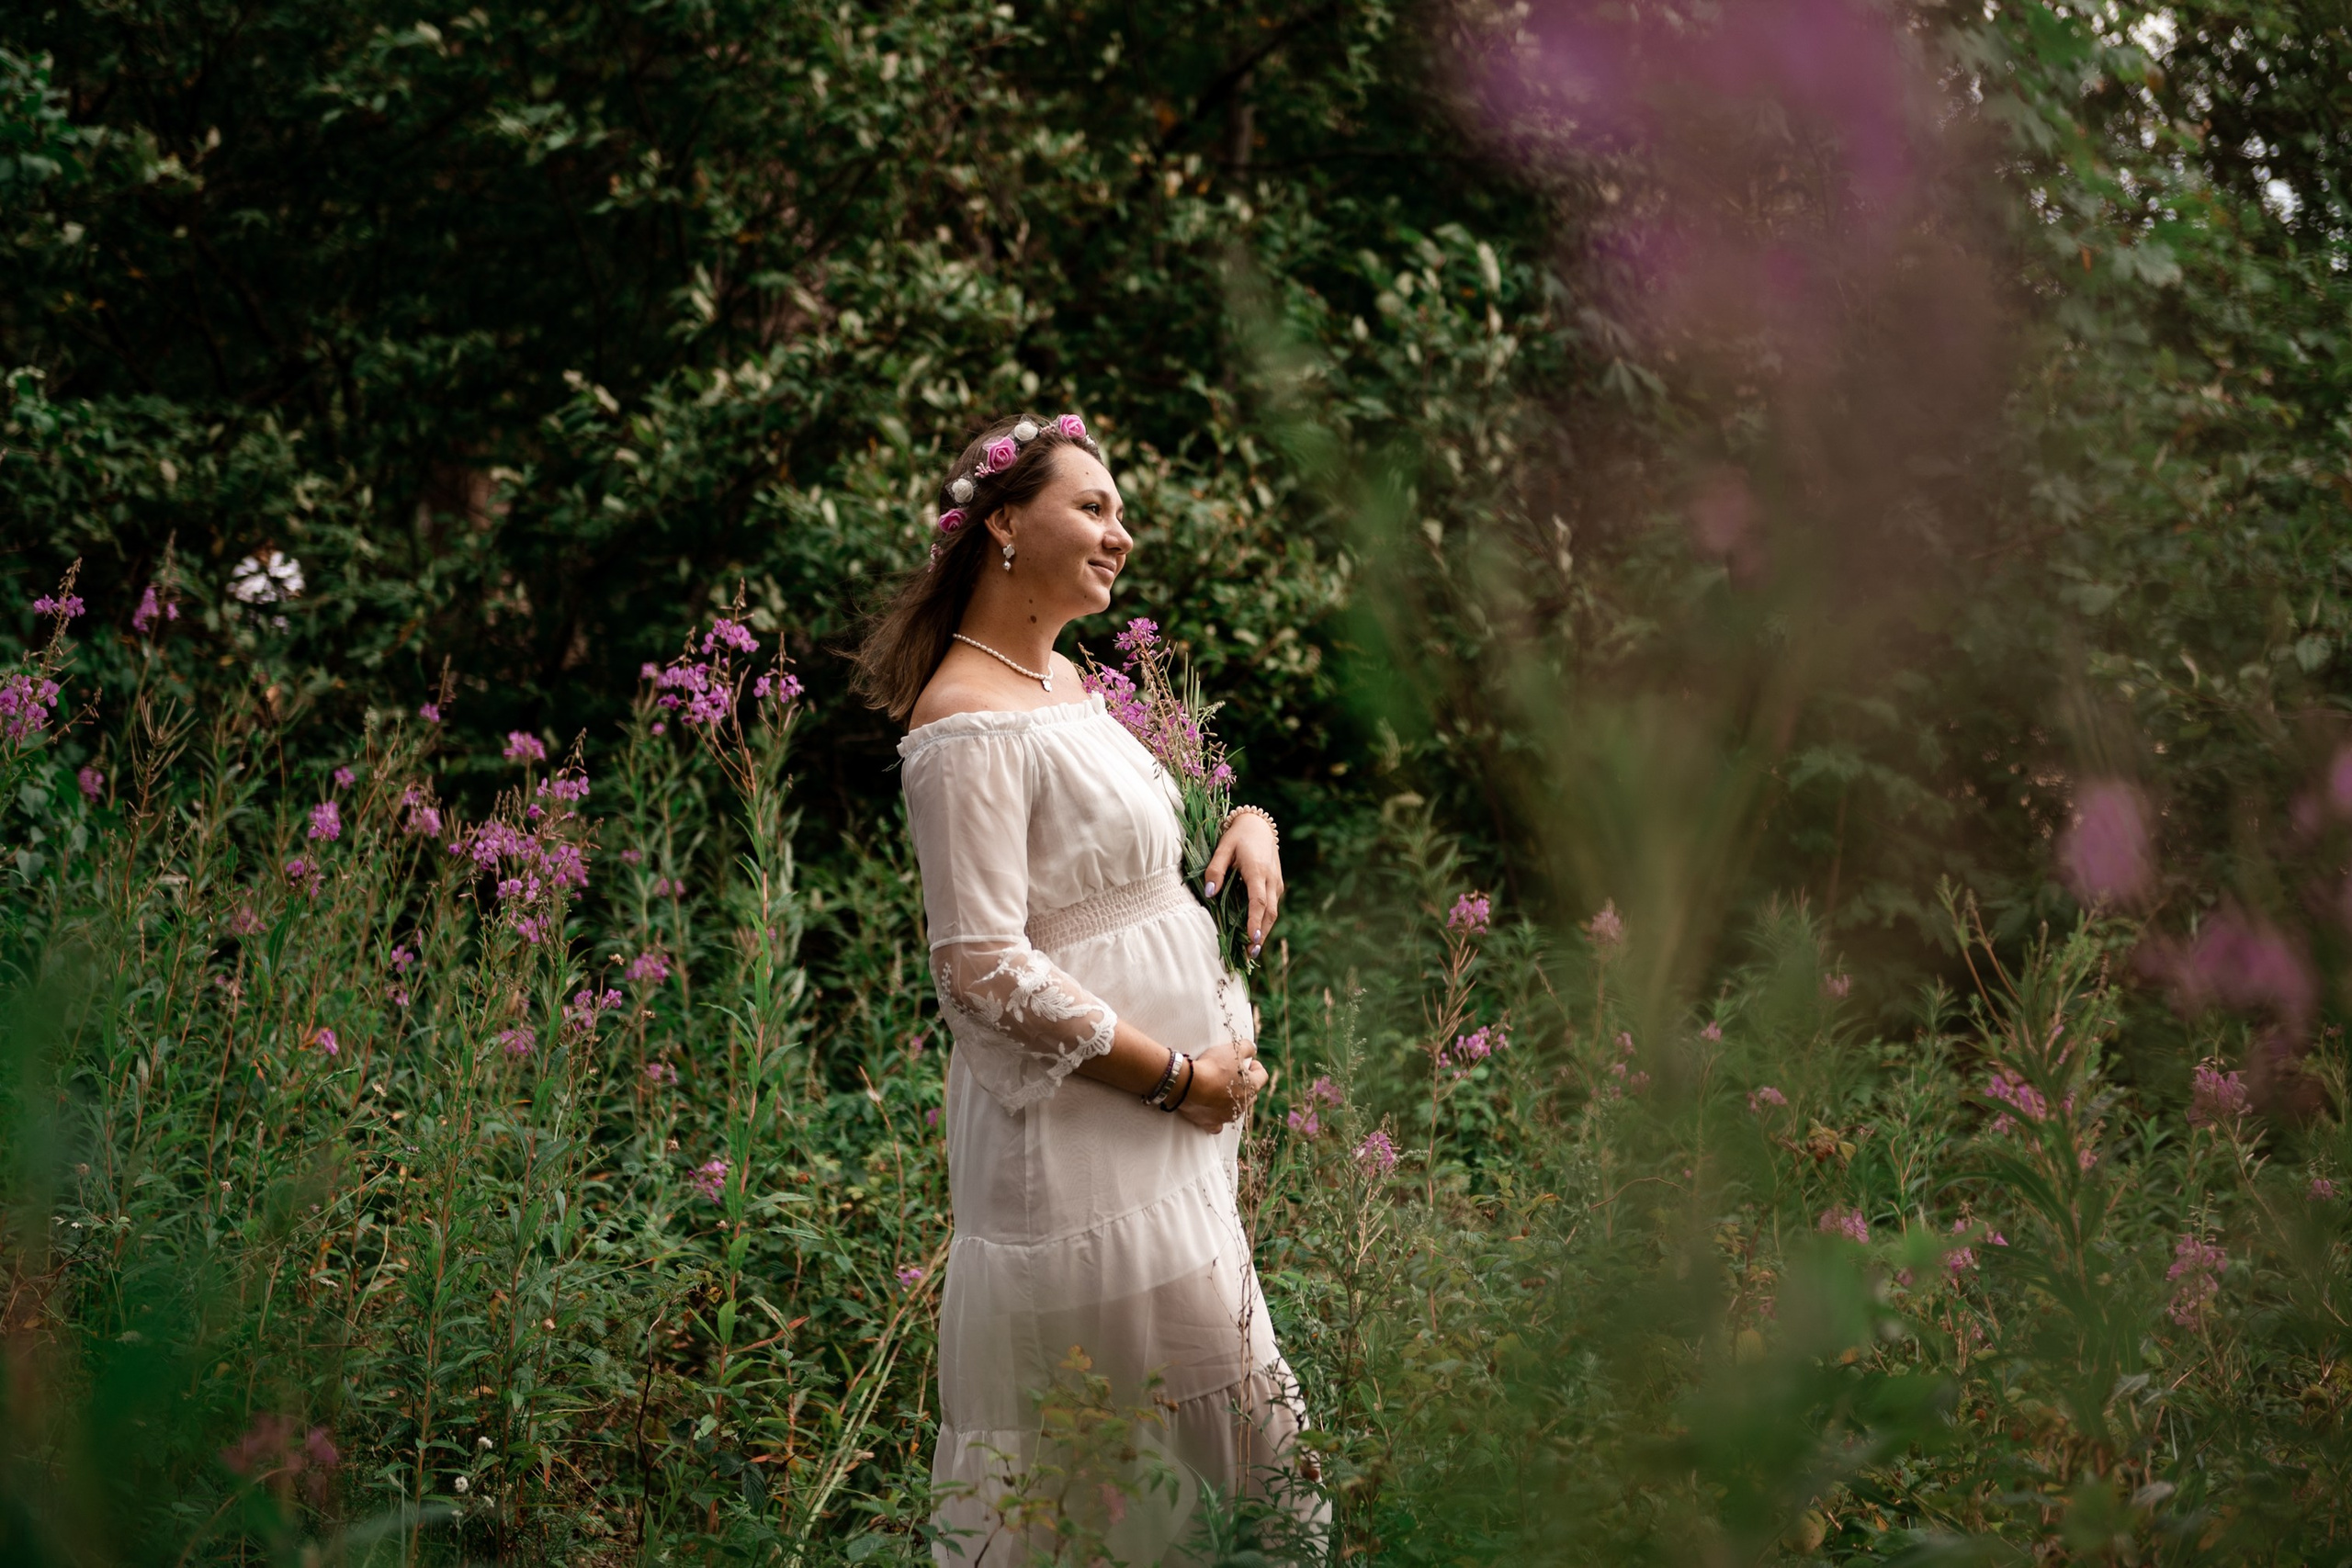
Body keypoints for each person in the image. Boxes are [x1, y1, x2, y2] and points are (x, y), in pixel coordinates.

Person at [853, 412, 1321, 1563]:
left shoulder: (1065, 678)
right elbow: (980, 966)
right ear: (1006, 524)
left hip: (1168, 1136)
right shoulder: (960, 723)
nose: (1122, 534)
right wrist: (1176, 1077)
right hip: (1083, 1138)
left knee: (1207, 1415)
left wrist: (1248, 825)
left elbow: (1156, 835)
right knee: (1099, 1443)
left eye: (1119, 514)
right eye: (1096, 509)